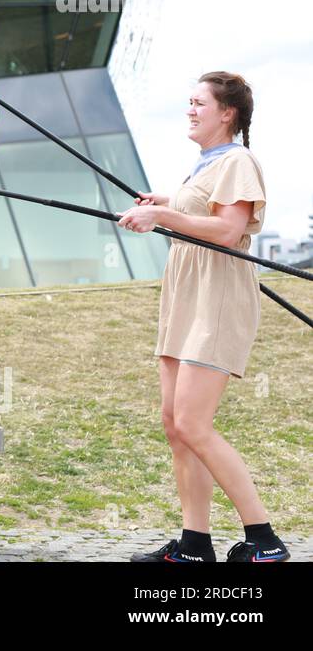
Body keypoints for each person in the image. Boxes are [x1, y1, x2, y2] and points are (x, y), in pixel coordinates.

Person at [117, 71, 289, 563]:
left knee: (194, 423)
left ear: (226, 113)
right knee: (175, 424)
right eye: (188, 103)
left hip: (217, 300)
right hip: (186, 298)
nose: (190, 110)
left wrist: (162, 218)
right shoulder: (206, 165)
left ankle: (265, 540)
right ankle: (195, 545)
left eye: (198, 103)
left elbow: (228, 228)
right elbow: (202, 209)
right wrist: (165, 202)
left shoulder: (238, 160)